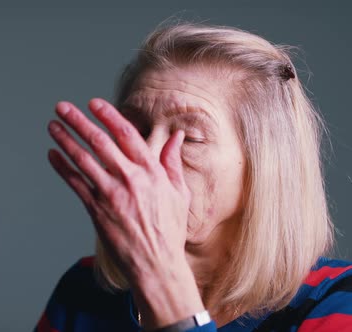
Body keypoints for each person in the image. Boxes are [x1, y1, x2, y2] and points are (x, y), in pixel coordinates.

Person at [35, 22, 352, 332]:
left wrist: (161, 279)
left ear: (266, 166)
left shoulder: (337, 302)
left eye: (190, 137)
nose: (146, 154)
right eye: (136, 130)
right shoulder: (84, 289)